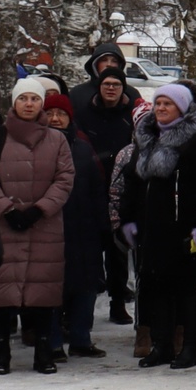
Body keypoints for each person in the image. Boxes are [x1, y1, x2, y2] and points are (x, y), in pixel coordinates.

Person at [0, 75, 76, 375]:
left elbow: (65, 178)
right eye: (23, 98)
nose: (29, 103)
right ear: (14, 102)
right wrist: (6, 209)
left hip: (43, 225)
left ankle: (43, 352)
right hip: (2, 224)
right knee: (0, 289)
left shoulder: (56, 139)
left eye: (34, 98)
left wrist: (38, 210)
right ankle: (1, 352)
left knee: (42, 291)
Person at [117, 84, 196, 369]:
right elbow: (132, 182)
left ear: (183, 108)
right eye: (158, 103)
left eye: (168, 104)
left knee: (187, 289)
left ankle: (190, 347)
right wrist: (127, 219)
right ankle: (161, 345)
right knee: (155, 288)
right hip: (152, 229)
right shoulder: (147, 138)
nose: (161, 108)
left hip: (184, 229)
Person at [41, 90, 109, 359]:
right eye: (50, 114)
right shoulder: (37, 148)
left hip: (85, 229)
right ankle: (54, 341)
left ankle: (81, 337)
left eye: (61, 114)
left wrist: (103, 226)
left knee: (86, 287)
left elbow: (97, 188)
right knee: (53, 289)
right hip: (50, 229)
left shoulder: (82, 147)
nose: (56, 119)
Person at [71, 64, 138, 322]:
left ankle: (118, 301)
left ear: (124, 89)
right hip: (90, 185)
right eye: (106, 84)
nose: (111, 89)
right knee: (88, 247)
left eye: (116, 85)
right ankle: (82, 303)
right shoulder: (84, 113)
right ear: (99, 87)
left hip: (122, 187)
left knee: (118, 249)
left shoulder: (131, 114)